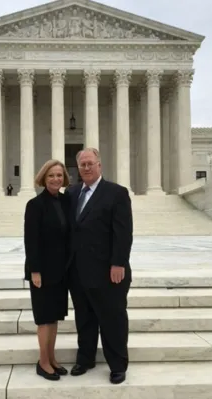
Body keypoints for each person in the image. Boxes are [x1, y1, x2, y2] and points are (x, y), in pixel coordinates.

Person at [66, 148, 133, 385]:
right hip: (78, 272)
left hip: (108, 272)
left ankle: (117, 365)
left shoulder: (116, 193)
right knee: (84, 318)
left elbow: (123, 233)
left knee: (112, 318)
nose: (86, 168)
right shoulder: (71, 193)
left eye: (90, 164)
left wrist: (118, 263)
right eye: (82, 164)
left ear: (99, 165)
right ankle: (85, 359)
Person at [24, 159, 70, 381]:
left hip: (60, 271)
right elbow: (31, 241)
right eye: (51, 175)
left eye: (59, 175)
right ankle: (42, 362)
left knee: (54, 317)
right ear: (43, 178)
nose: (55, 179)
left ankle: (51, 358)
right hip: (42, 271)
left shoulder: (65, 201)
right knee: (44, 318)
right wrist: (35, 271)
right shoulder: (35, 205)